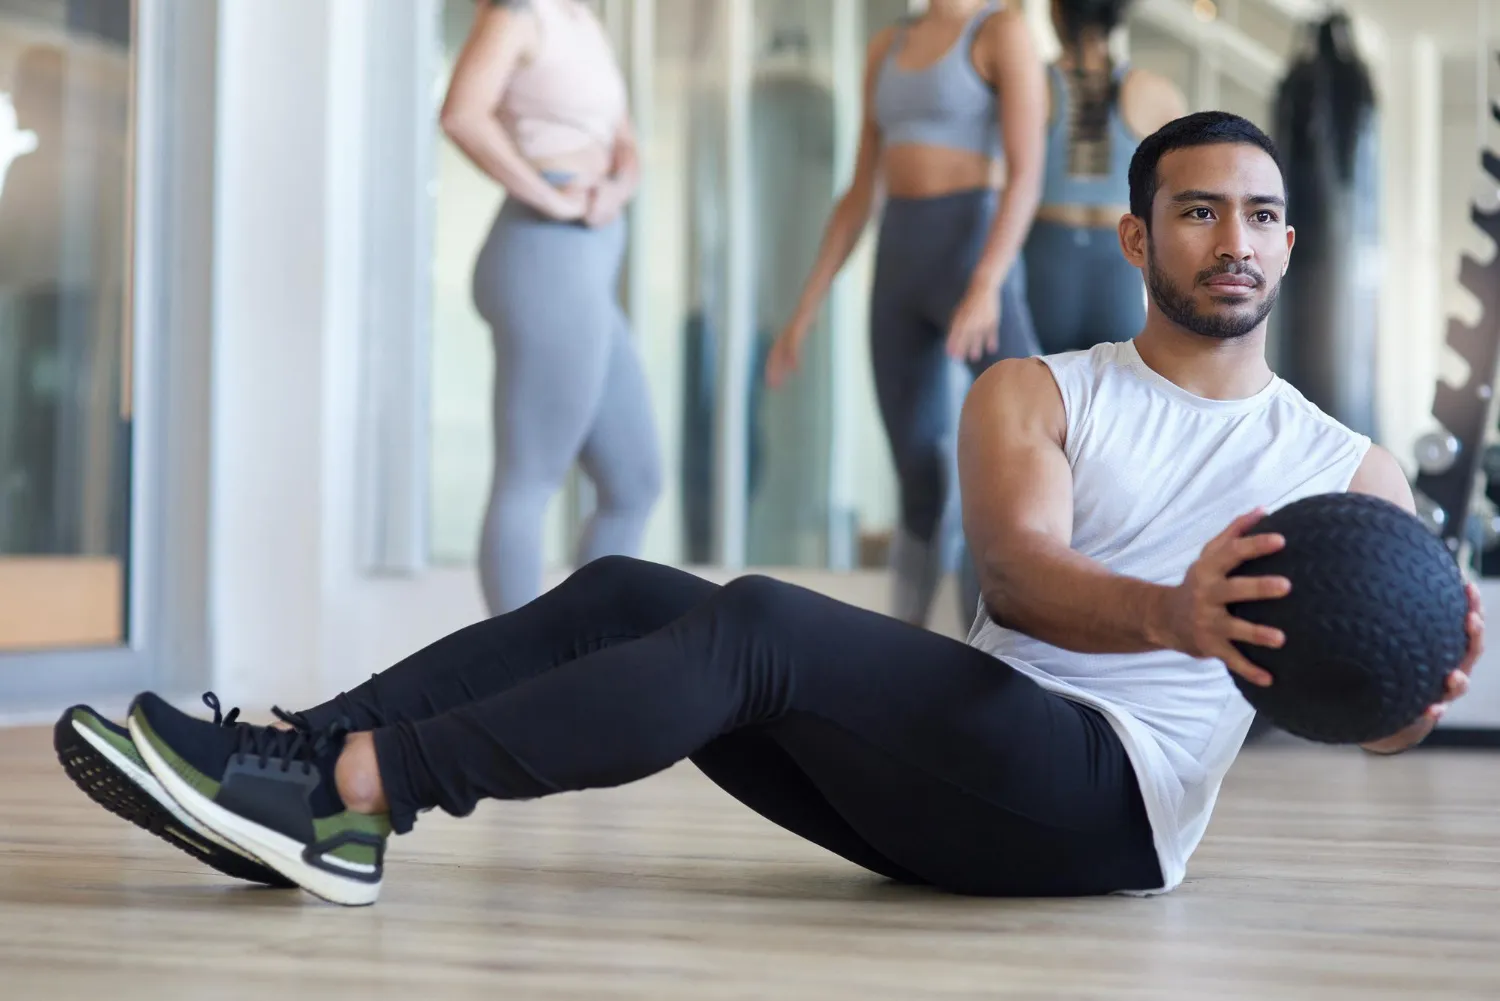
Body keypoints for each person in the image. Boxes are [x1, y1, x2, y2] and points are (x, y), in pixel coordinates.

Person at [56, 112, 1483, 908]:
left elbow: (1369, 711)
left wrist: (1419, 691)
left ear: (1291, 242)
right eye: (1196, 210)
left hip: (1104, 812)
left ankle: (350, 796)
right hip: (973, 756)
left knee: (755, 628)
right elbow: (1025, 577)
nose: (1231, 239)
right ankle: (300, 757)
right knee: (628, 590)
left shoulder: (1342, 471)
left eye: (1258, 214)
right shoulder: (1041, 393)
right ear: (1135, 234)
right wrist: (1172, 609)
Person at [766, 0, 1047, 631]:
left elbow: (1025, 176)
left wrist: (985, 285)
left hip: (973, 257)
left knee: (1012, 464)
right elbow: (860, 189)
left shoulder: (1001, 32)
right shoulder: (886, 46)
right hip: (899, 265)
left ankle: (1002, 646)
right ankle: (907, 644)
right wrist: (804, 309)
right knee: (918, 474)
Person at [441, 0, 662, 615]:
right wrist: (550, 196)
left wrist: (617, 188)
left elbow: (624, 140)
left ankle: (576, 655)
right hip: (544, 255)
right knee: (531, 476)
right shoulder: (516, 14)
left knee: (634, 480)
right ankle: (510, 674)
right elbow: (461, 114)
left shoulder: (583, 21)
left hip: (591, 251)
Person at [1024, 0, 1186, 354]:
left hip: (1045, 264)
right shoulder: (1156, 93)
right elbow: (1185, 200)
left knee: (1045, 401)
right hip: (1119, 268)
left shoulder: (1031, 86)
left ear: (1056, 12)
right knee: (1117, 401)